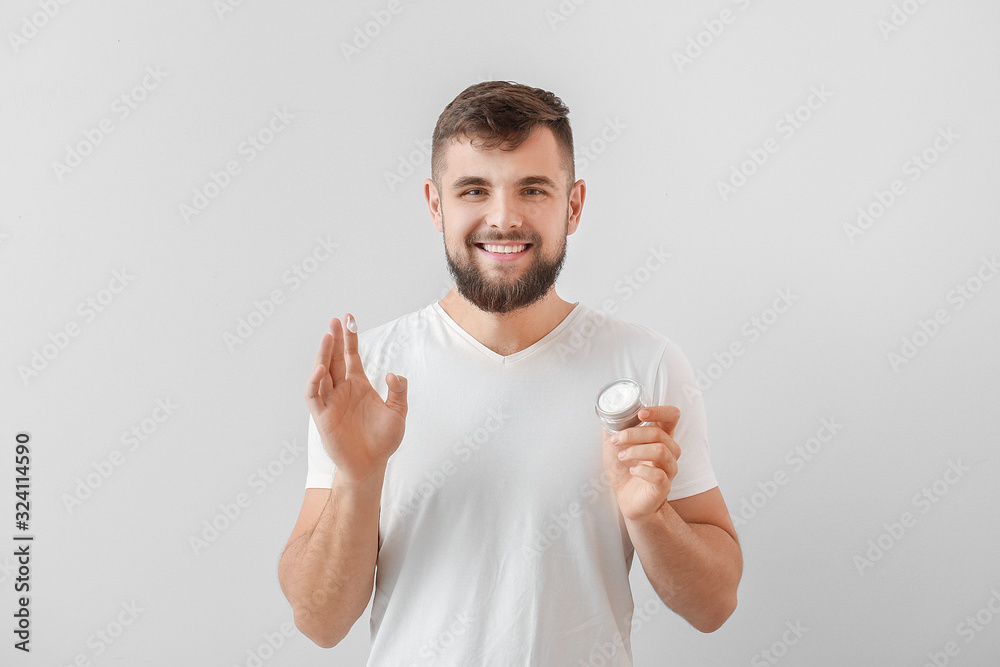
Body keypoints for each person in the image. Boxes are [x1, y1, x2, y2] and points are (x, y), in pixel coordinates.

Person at [278, 80, 742, 666]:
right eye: (474, 189)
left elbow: (714, 604)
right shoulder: (366, 376)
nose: (504, 217)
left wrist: (650, 516)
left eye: (533, 189)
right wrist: (359, 477)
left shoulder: (644, 365)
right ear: (435, 204)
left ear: (572, 206)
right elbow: (318, 621)